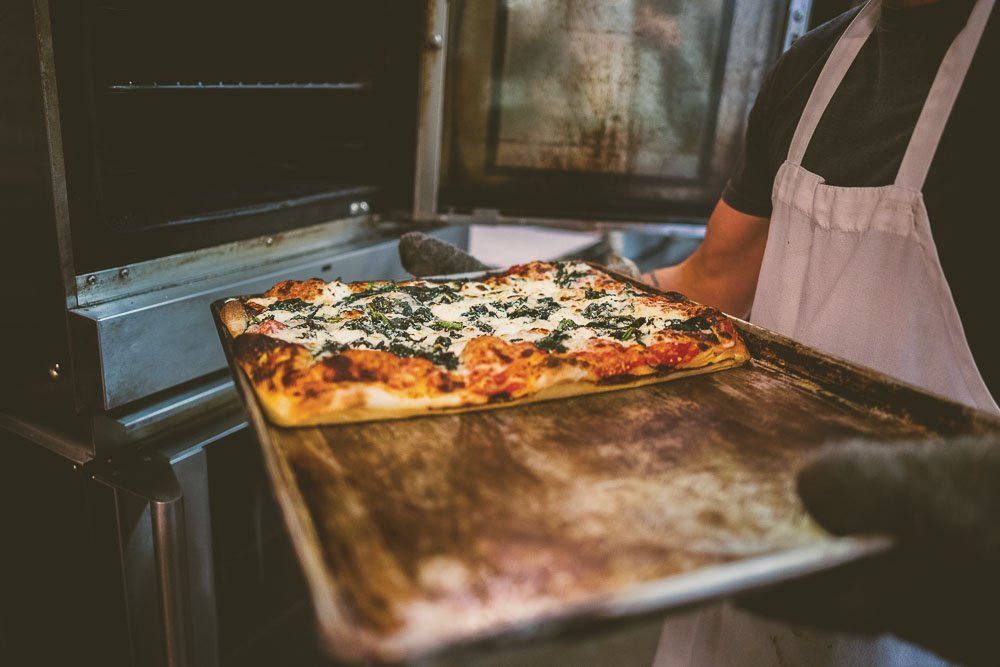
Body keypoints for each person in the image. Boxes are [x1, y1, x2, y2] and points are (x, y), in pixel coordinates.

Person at [641, 0, 999, 664]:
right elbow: (718, 275)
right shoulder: (807, 67)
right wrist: (567, 304)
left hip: (921, 598)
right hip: (752, 543)